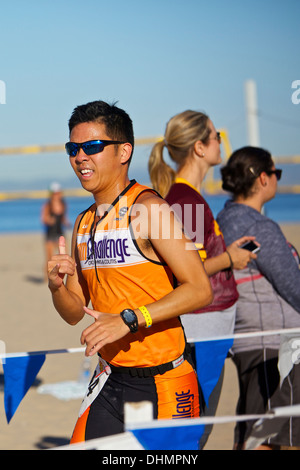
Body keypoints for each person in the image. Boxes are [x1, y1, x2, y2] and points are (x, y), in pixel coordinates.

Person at [47, 100, 213, 444]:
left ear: (124, 151)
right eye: (72, 148)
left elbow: (199, 289)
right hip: (110, 378)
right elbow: (74, 313)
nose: (80, 157)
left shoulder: (149, 209)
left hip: (165, 380)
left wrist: (129, 319)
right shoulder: (83, 222)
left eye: (92, 146)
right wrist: (56, 288)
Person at [148, 110, 256, 448]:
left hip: (207, 329)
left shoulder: (186, 197)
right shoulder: (185, 199)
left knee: (197, 425)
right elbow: (189, 272)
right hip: (201, 330)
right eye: (216, 136)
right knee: (196, 428)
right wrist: (230, 258)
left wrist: (224, 254)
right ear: (199, 147)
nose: (220, 142)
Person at [217, 146, 300, 449]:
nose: (278, 179)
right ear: (263, 178)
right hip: (270, 342)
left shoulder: (225, 219)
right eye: (276, 173)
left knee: (262, 429)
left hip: (252, 338)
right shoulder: (255, 225)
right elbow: (292, 284)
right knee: (262, 435)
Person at [41, 182, 70, 279]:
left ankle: (62, 274)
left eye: (59, 193)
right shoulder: (47, 205)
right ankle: (47, 277)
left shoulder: (63, 204)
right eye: (56, 193)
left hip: (60, 232)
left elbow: (63, 218)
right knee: (49, 258)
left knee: (63, 256)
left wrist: (67, 223)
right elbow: (43, 219)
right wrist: (49, 220)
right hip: (50, 233)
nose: (58, 195)